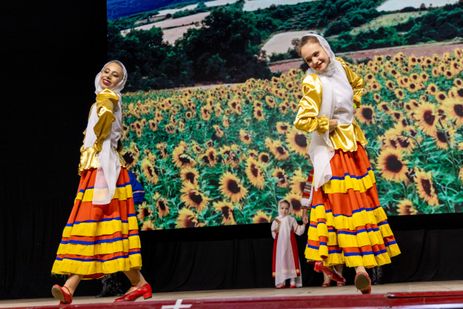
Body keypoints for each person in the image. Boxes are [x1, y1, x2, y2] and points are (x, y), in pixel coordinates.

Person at [293, 33, 401, 294]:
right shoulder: (312, 83)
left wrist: (353, 104)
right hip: (333, 151)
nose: (315, 61)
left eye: (317, 54)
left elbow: (358, 84)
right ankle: (359, 269)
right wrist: (324, 123)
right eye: (309, 59)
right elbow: (302, 120)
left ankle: (362, 268)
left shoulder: (341, 67)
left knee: (361, 205)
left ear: (325, 48)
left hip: (354, 147)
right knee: (343, 207)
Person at [50, 60, 152, 304]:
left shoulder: (108, 97)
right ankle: (139, 284)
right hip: (98, 169)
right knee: (105, 230)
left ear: (121, 82)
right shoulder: (103, 97)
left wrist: (100, 134)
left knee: (91, 225)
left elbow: (105, 117)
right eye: (106, 71)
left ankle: (69, 287)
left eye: (115, 75)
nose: (108, 76)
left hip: (103, 171)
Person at [271, 199, 307, 289]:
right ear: (279, 208)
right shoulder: (276, 220)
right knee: (281, 260)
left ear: (289, 209)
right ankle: (281, 280)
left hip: (290, 244)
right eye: (282, 208)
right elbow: (274, 233)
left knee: (291, 260)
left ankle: (292, 280)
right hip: (280, 245)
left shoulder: (291, 219)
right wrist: (276, 229)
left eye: (286, 208)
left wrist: (304, 224)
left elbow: (298, 230)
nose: (284, 210)